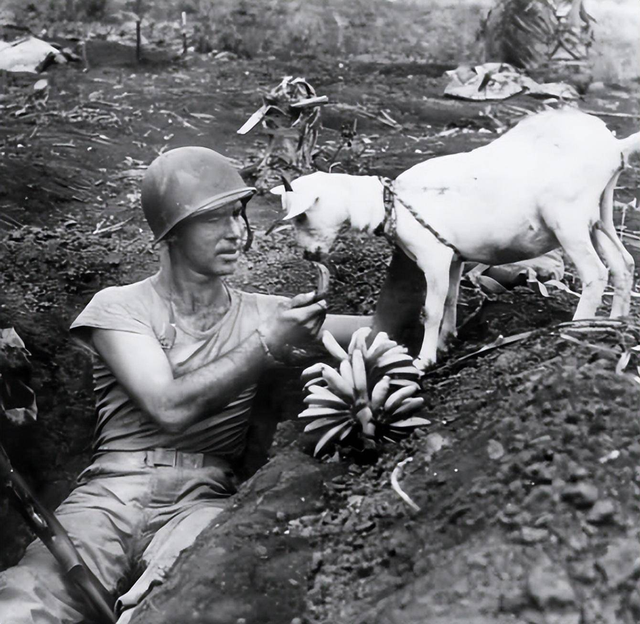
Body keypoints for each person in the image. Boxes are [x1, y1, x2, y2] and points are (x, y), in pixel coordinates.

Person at [0, 146, 370, 623]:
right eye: (215, 219)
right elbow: (168, 407)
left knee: (185, 601)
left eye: (239, 215)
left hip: (204, 498)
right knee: (25, 600)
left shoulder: (267, 312)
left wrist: (424, 242)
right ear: (172, 233)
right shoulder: (120, 307)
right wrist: (266, 344)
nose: (236, 231)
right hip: (111, 493)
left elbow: (383, 327)